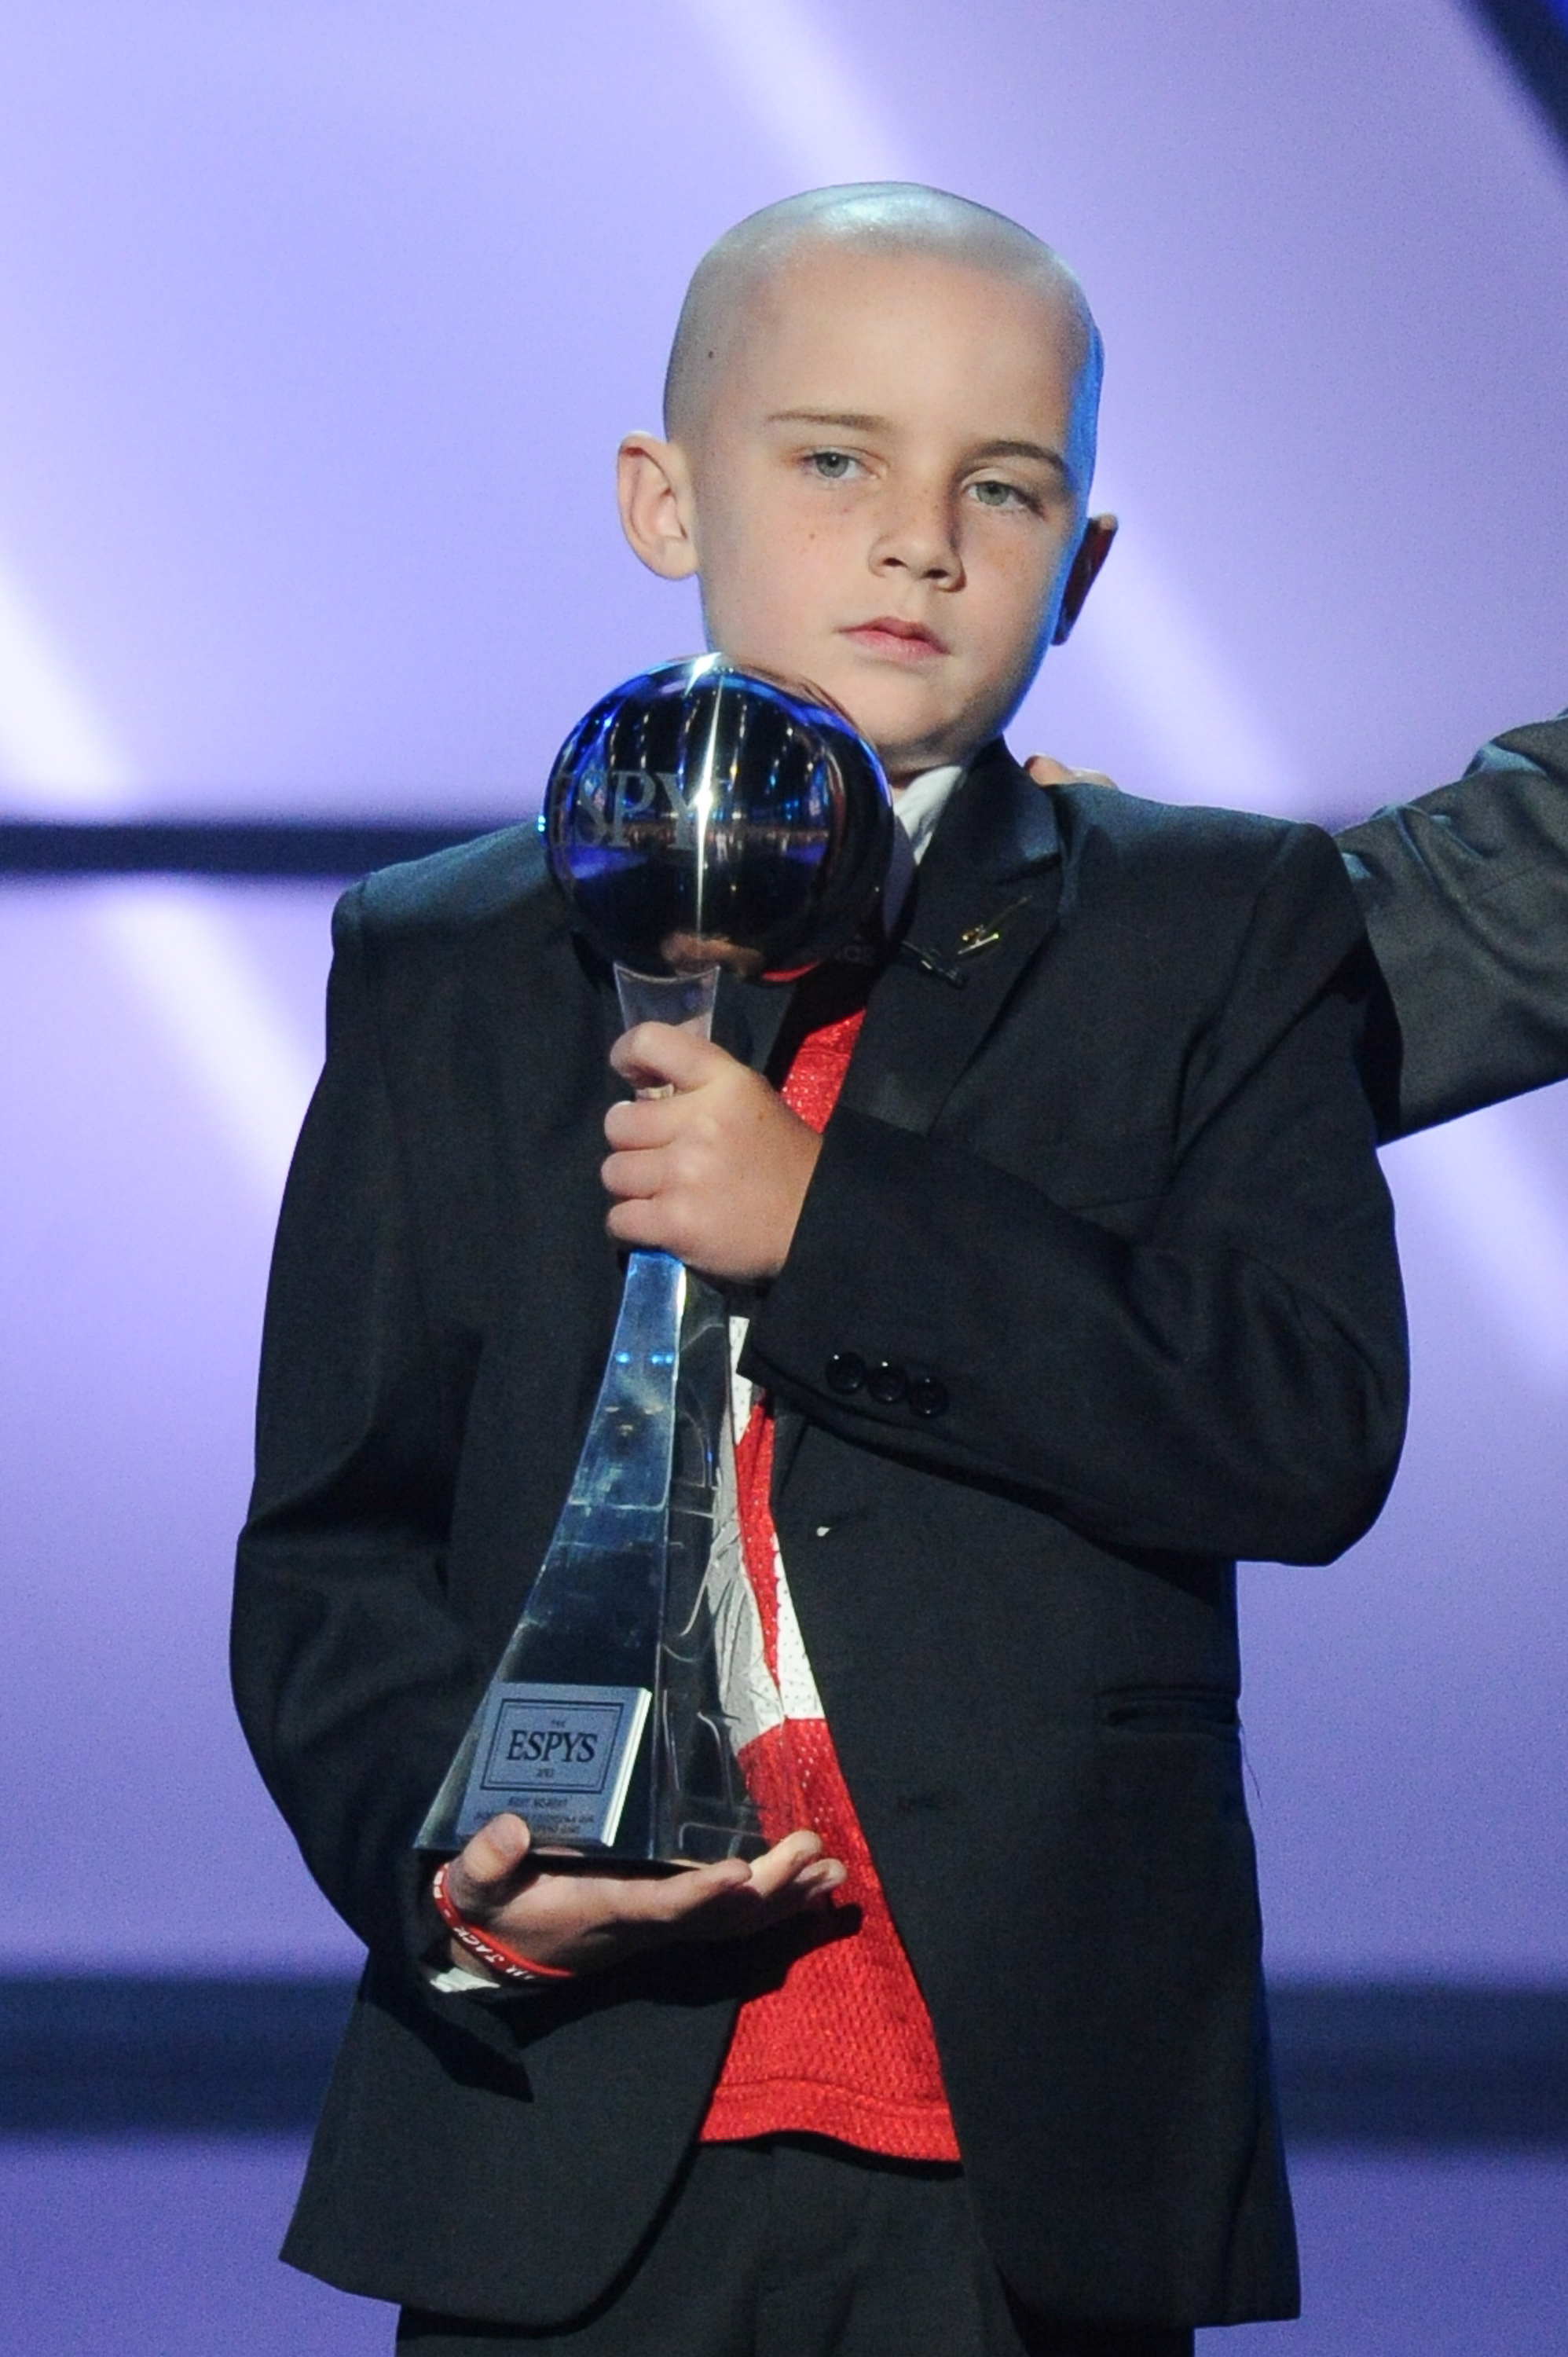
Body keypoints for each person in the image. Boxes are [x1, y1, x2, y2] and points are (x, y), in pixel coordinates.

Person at [233, 185, 1410, 2354]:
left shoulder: (1211, 926)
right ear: (660, 496)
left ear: (1084, 565)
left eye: (1005, 486)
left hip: (1023, 2137)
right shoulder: (447, 957)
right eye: (834, 457)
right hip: (562, 2137)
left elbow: (1298, 1426)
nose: (921, 539)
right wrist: (466, 1874)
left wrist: (830, 1228)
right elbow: (337, 1541)